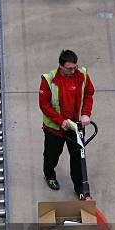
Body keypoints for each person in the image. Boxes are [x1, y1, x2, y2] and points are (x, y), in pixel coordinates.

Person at [39, 49, 95, 197]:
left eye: (74, 67)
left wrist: (85, 114)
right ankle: (50, 176)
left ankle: (80, 188)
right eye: (69, 68)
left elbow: (89, 93)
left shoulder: (81, 75)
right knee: (51, 156)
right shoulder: (48, 79)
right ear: (61, 66)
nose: (73, 71)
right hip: (55, 129)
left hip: (76, 126)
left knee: (78, 158)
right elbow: (44, 105)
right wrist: (61, 121)